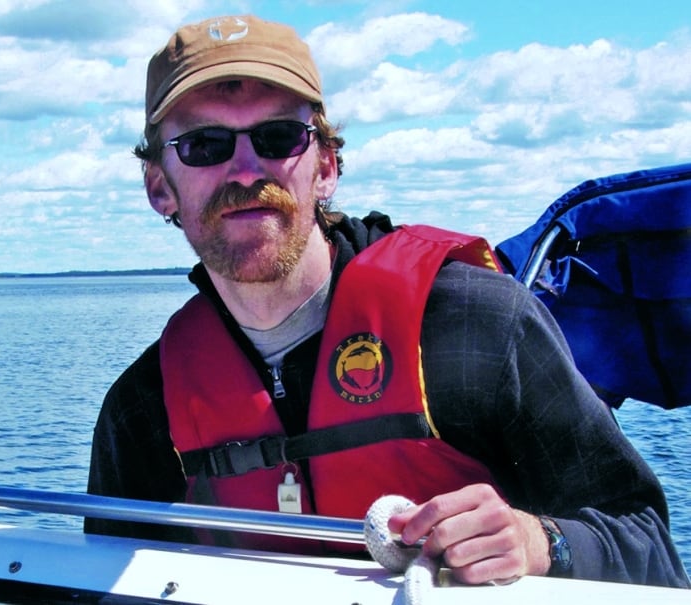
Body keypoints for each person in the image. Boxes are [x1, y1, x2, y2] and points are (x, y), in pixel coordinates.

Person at [85, 14, 690, 588]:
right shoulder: (143, 411)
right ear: (159, 186)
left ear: (325, 167)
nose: (246, 169)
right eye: (204, 145)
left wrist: (539, 541)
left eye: (278, 137)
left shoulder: (480, 326)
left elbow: (649, 549)